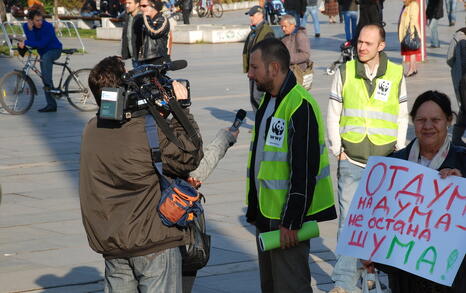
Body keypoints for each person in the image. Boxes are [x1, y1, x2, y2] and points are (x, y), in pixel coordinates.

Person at [80, 56, 203, 292]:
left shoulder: (91, 130)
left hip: (112, 243)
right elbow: (190, 155)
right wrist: (181, 109)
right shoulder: (147, 130)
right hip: (152, 244)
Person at [246, 38, 337, 293]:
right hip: (267, 216)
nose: (250, 74)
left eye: (255, 67)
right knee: (272, 287)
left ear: (273, 68)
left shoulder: (299, 104)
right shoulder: (268, 101)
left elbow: (304, 168)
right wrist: (255, 211)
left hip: (286, 222)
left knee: (291, 287)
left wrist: (292, 220)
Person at [327, 24, 408, 293]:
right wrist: (337, 147)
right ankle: (344, 282)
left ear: (381, 46)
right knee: (349, 222)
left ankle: (376, 277)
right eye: (359, 42)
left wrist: (400, 148)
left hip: (386, 161)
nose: (361, 47)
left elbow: (401, 113)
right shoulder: (345, 71)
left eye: (368, 43)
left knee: (382, 223)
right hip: (352, 159)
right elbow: (333, 110)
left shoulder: (396, 73)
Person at [373, 90, 466, 293]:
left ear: (448, 121)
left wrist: (461, 187)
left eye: (436, 120)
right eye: (421, 120)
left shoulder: (463, 162)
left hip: (452, 280)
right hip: (405, 279)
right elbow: (378, 219)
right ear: (413, 122)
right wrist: (370, 253)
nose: (428, 126)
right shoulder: (394, 163)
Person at [18, 9, 62, 113]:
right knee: (46, 78)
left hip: (54, 50)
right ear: (30, 20)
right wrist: (30, 30)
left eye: (41, 20)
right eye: (37, 20)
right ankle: (51, 102)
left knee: (46, 77)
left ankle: (51, 103)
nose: (40, 22)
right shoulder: (26, 26)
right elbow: (33, 42)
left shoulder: (48, 27)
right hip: (43, 53)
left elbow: (41, 44)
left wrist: (26, 42)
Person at [242, 5, 275, 112]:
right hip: (254, 71)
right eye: (249, 15)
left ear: (260, 15)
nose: (250, 17)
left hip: (261, 71)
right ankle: (259, 124)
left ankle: (262, 124)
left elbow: (270, 53)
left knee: (258, 98)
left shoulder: (266, 31)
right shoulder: (254, 31)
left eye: (252, 15)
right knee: (254, 98)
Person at [134, 0, 171, 65]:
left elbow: (154, 33)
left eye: (144, 6)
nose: (141, 8)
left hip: (157, 59)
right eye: (140, 6)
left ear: (153, 5)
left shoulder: (162, 19)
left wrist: (146, 17)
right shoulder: (142, 19)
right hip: (142, 59)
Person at [447, 27, 466, 147]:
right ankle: (456, 138)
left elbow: (449, 59)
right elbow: (449, 59)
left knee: (464, 110)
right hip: (463, 81)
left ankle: (456, 138)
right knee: (464, 109)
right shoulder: (458, 37)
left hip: (462, 81)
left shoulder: (458, 37)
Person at [279, 14, 311, 86]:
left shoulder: (300, 35)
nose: (283, 29)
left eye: (285, 26)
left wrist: (288, 58)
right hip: (288, 73)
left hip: (297, 73)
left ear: (292, 25)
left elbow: (306, 54)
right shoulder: (285, 36)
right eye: (281, 27)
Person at [399, 0, 421, 77]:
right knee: (412, 51)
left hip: (410, 32)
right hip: (406, 31)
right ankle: (414, 69)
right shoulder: (406, 4)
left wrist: (411, 33)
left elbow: (413, 20)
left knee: (411, 51)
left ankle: (411, 69)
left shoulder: (413, 5)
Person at [121, 0, 141, 68]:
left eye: (129, 3)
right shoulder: (128, 16)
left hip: (142, 58)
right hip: (134, 57)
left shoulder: (142, 17)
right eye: (126, 3)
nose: (127, 5)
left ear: (137, 4)